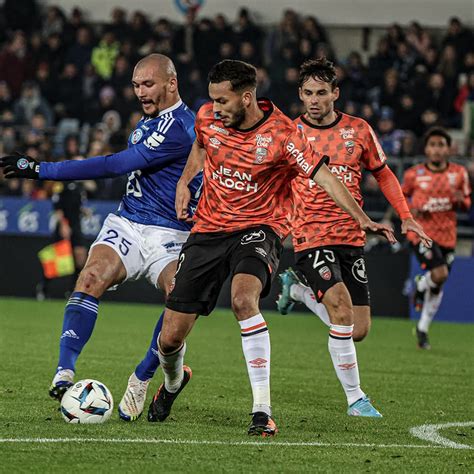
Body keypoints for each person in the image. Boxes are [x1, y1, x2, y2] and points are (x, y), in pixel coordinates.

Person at [146, 59, 396, 436]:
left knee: (243, 299)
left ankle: (261, 410)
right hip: (210, 229)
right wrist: (186, 180)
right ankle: (172, 383)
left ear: (247, 98)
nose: (215, 108)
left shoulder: (282, 135)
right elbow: (201, 145)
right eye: (212, 100)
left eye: (223, 101)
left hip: (261, 228)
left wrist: (360, 217)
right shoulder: (207, 118)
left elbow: (324, 175)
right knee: (170, 338)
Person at [0, 54, 202, 421]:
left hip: (170, 232)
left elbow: (114, 165)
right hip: (128, 221)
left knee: (179, 300)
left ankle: (145, 377)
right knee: (90, 275)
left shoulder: (182, 128)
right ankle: (64, 372)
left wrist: (41, 168)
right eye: (136, 85)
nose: (141, 92)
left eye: (149, 84)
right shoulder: (148, 122)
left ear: (172, 84)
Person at [276, 58, 431, 416]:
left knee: (357, 329)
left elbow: (384, 174)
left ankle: (297, 290)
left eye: (321, 93)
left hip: (351, 234)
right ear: (300, 94)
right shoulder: (288, 133)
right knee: (341, 309)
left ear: (335, 93)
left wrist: (406, 218)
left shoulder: (359, 130)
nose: (314, 100)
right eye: (308, 93)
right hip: (310, 233)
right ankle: (356, 399)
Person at [402, 127, 471, 349]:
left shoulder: (459, 173)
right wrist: (413, 209)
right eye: (433, 145)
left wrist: (461, 201)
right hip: (422, 234)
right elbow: (401, 198)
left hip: (448, 235)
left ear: (448, 148)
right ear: (426, 148)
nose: (437, 149)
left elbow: (467, 203)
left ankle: (422, 328)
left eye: (441, 145)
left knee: (438, 284)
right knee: (439, 274)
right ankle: (421, 286)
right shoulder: (414, 174)